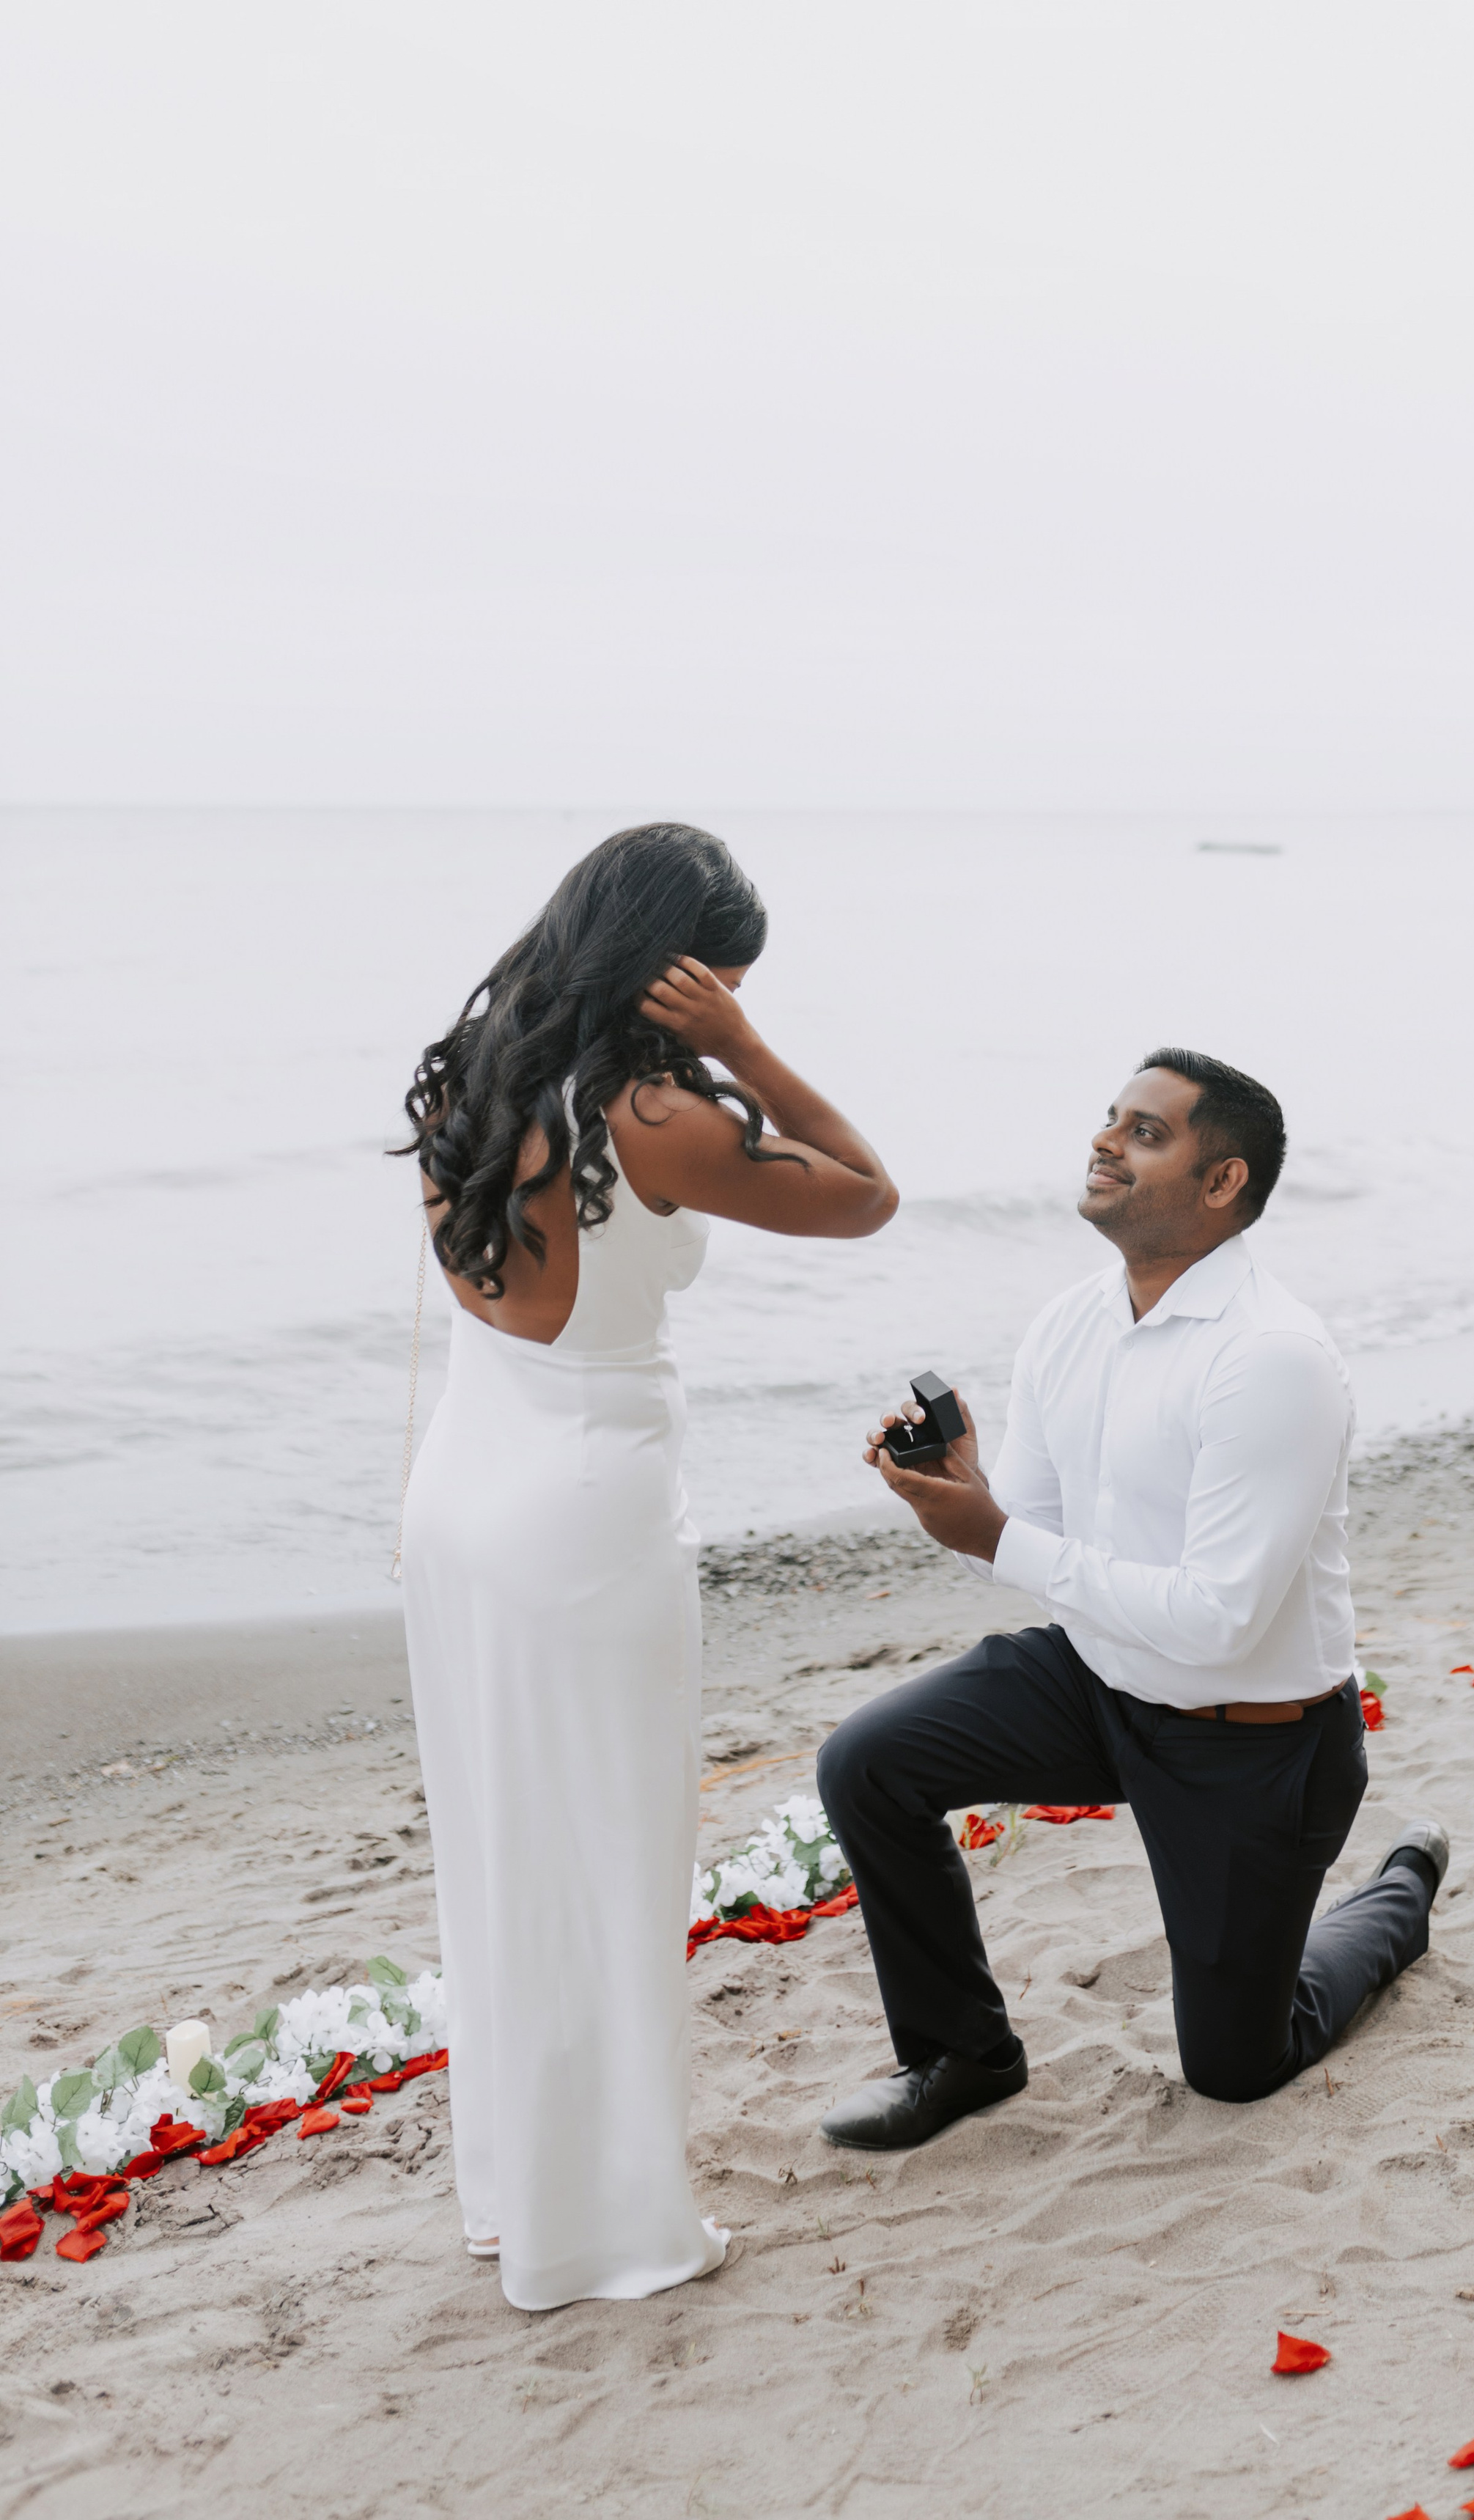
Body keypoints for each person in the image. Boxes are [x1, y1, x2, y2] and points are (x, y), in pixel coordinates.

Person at [396, 823, 896, 2307]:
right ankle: (604, 2229)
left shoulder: (470, 1078)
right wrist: (747, 1047)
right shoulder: (649, 1112)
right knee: (612, 1868)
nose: (728, 999)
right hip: (581, 1521)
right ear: (675, 971)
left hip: (460, 1504)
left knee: (501, 1862)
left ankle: (516, 2198)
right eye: (721, 975)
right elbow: (864, 1190)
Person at [815, 1048, 1446, 2150]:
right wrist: (955, 1499)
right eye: (1111, 1118)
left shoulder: (1274, 1357)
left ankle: (1401, 1888)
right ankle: (961, 2053)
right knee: (867, 1763)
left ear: (1223, 1181)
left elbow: (1219, 1619)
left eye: (1146, 1131)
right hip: (1099, 1679)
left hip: (1250, 1740)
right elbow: (1026, 1546)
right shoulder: (1070, 1322)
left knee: (1237, 2067)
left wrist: (998, 1533)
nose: (1106, 1140)